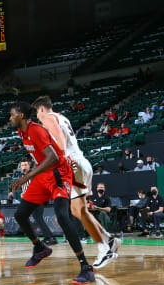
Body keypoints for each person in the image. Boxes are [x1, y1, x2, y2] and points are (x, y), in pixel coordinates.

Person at [8, 102, 95, 284]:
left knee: (62, 216)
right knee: (20, 215)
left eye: (12, 115)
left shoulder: (35, 130)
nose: (10, 118)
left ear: (22, 116)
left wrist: (27, 177)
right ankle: (40, 247)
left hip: (58, 173)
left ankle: (85, 267)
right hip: (42, 175)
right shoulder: (21, 132)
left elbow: (53, 157)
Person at [32, 95, 118, 269]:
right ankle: (109, 239)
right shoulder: (62, 117)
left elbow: (60, 140)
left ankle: (104, 248)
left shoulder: (48, 118)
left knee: (78, 210)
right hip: (81, 162)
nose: (37, 117)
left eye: (36, 113)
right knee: (80, 210)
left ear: (41, 109)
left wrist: (61, 159)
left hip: (72, 164)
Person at [17, 158, 57, 245]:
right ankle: (49, 237)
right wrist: (22, 194)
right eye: (22, 165)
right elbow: (24, 188)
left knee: (37, 218)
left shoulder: (34, 174)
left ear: (29, 166)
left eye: (26, 165)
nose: (24, 167)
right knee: (33, 217)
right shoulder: (21, 176)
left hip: (37, 199)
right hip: (30, 200)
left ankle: (50, 237)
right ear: (20, 167)